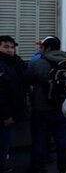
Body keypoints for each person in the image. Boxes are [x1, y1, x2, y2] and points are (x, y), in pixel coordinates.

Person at [24, 36, 66, 173]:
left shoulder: (39, 63)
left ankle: (37, 167)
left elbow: (27, 80)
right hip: (62, 106)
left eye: (42, 47)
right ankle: (64, 167)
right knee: (61, 139)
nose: (41, 50)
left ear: (48, 48)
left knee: (39, 139)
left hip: (41, 107)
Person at [0, 36, 24, 173]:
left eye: (12, 47)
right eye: (6, 47)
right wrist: (6, 115)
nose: (10, 50)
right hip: (4, 116)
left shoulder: (14, 63)